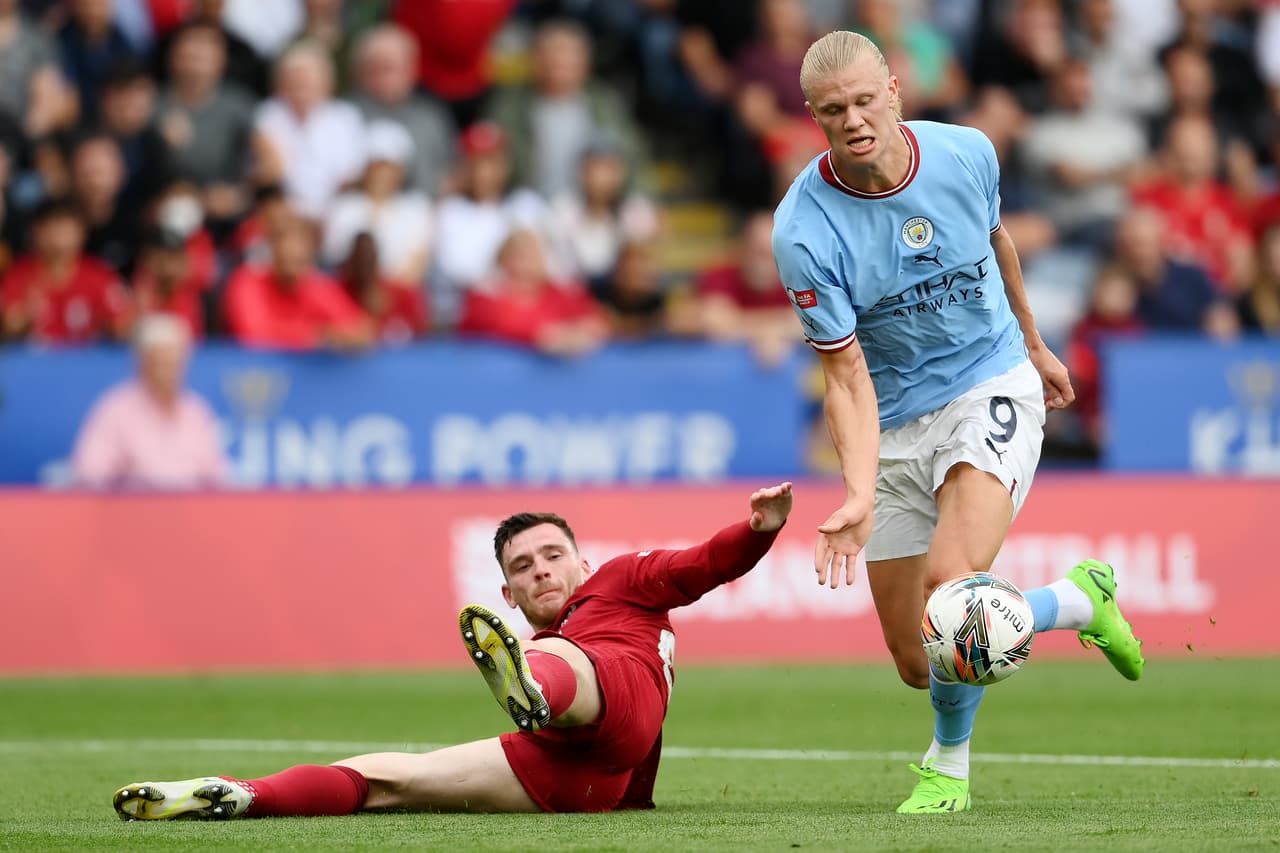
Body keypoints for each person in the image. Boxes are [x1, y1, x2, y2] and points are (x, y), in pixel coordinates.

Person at [770, 31, 1145, 814]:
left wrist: (1036, 344)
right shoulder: (804, 231)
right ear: (814, 117)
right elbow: (843, 375)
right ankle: (1078, 600)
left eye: (866, 100)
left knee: (953, 592)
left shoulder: (967, 152)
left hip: (991, 382)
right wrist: (860, 491)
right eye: (833, 111)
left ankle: (948, 765)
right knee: (916, 658)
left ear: (896, 89)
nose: (854, 120)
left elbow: (996, 241)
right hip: (896, 417)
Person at [112, 482, 794, 819]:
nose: (541, 571)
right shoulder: (547, 629)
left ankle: (533, 689)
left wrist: (758, 530)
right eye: (523, 567)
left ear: (583, 564)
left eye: (554, 555)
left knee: (573, 664)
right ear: (507, 592)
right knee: (390, 780)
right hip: (574, 775)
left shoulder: (622, 582)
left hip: (608, 696)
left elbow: (706, 562)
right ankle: (242, 794)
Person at [71, 313, 228, 490]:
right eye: (160, 360)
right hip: (131, 512)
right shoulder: (116, 410)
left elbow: (217, 479)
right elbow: (88, 473)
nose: (168, 369)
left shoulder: (196, 411)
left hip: (190, 513)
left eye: (174, 359)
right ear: (142, 362)